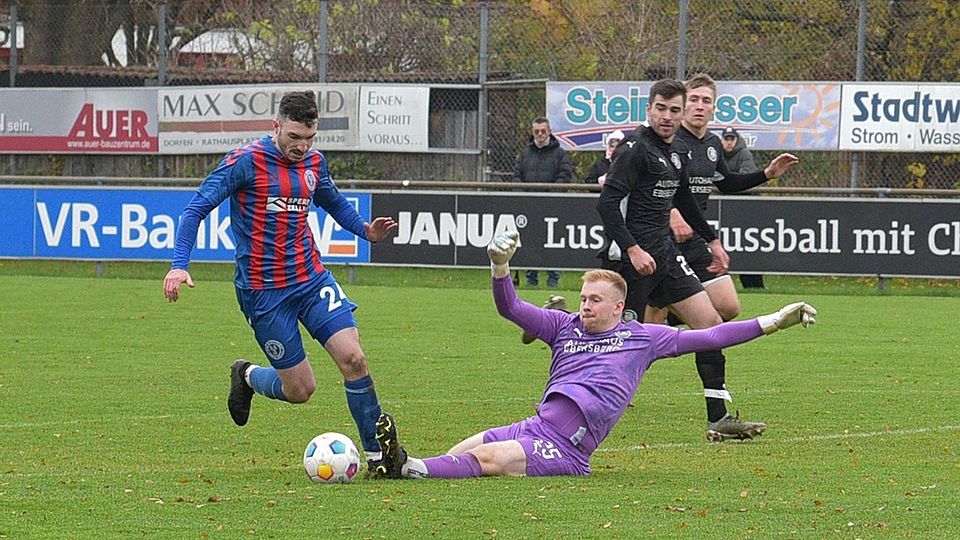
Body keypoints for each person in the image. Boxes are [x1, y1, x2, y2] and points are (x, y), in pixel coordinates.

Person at [371, 230, 816, 479]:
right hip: (534, 427)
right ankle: (405, 467)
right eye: (583, 298)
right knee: (462, 451)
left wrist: (774, 321)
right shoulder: (563, 326)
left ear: (618, 307)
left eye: (594, 300)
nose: (584, 305)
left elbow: (712, 335)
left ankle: (405, 466)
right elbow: (510, 308)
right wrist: (499, 267)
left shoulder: (643, 338)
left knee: (492, 460)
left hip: (566, 449)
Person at [162, 91, 399, 475]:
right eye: (294, 137)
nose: (302, 147)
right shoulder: (245, 162)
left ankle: (378, 457)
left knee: (354, 358)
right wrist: (178, 265)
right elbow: (196, 209)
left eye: (310, 138)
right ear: (276, 127)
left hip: (310, 279)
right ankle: (247, 375)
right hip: (264, 293)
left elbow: (333, 201)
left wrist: (366, 231)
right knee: (301, 390)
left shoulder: (314, 163)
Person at [595, 79, 799, 441]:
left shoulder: (676, 151)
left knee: (710, 325)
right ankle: (567, 383)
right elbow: (607, 204)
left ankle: (718, 418)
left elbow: (686, 201)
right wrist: (632, 249)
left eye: (674, 110)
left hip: (666, 257)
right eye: (661, 108)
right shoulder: (634, 149)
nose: (667, 116)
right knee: (617, 341)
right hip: (631, 262)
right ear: (649, 109)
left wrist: (713, 241)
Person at [512, 117, 573, 288]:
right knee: (530, 242)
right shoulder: (525, 154)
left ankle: (553, 278)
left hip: (551, 207)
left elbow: (565, 176)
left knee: (552, 242)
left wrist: (551, 197)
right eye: (536, 131)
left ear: (549, 132)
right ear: (532, 133)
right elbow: (516, 176)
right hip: (529, 206)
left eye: (543, 131)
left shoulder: (559, 153)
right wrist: (522, 195)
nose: (540, 134)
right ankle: (531, 279)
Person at [720, 125, 765, 289]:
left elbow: (746, 177)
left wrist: (725, 183)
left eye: (732, 139)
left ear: (736, 140)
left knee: (747, 245)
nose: (729, 142)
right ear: (722, 140)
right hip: (725, 208)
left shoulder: (744, 153)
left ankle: (754, 285)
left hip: (745, 208)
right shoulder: (715, 153)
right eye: (726, 139)